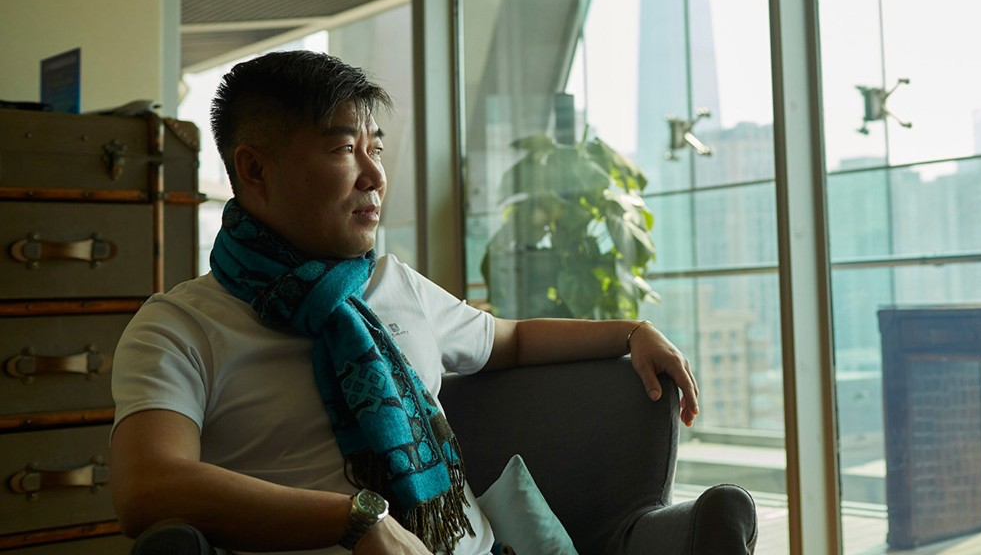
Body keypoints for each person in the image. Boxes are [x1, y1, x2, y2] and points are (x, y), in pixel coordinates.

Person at [110, 50, 699, 555]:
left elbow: (512, 338)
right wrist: (356, 520)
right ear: (255, 169)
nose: (374, 176)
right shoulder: (179, 326)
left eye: (377, 149)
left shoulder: (395, 285)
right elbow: (148, 488)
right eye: (344, 149)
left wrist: (632, 332)